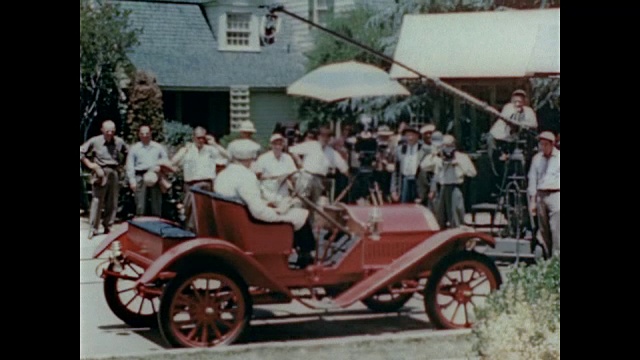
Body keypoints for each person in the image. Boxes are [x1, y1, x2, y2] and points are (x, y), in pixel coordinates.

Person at [215, 139, 315, 268]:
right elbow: (258, 212)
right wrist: (278, 212)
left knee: (294, 213)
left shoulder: (223, 174)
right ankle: (307, 257)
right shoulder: (245, 176)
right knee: (301, 215)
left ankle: (304, 256)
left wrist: (271, 204)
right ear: (249, 158)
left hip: (235, 224)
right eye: (254, 158)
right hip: (252, 228)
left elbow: (248, 200)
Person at [171, 126, 229, 231]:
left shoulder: (211, 150)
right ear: (193, 138)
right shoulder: (187, 150)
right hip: (190, 184)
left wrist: (215, 144)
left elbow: (229, 157)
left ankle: (204, 231)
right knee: (189, 211)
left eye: (203, 138)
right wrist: (183, 150)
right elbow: (173, 162)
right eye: (198, 138)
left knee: (205, 211)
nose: (201, 140)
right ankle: (190, 232)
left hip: (206, 183)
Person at [80, 120, 129, 239]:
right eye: (107, 131)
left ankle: (108, 225)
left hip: (114, 171)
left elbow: (127, 152)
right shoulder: (95, 141)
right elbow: (81, 153)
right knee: (97, 200)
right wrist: (91, 165)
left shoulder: (119, 142)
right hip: (100, 172)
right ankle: (93, 228)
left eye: (112, 131)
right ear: (102, 130)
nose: (110, 133)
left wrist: (122, 166)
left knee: (112, 201)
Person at [289, 126, 349, 205]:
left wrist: (350, 177)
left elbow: (343, 167)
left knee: (313, 205)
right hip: (306, 176)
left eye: (327, 137)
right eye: (323, 136)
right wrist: (298, 161)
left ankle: (310, 217)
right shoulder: (311, 145)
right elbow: (292, 150)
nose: (325, 139)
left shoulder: (331, 152)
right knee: (300, 202)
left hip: (319, 180)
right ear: (318, 137)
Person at [429, 135, 477, 228]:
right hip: (442, 187)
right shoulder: (439, 157)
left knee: (455, 216)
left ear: (454, 145)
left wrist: (458, 164)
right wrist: (433, 155)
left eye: (449, 145)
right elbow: (424, 166)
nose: (447, 148)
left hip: (455, 187)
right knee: (439, 217)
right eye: (444, 145)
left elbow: (472, 173)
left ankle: (457, 236)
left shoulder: (461, 157)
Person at [527, 131, 560, 255]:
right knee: (543, 228)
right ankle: (546, 255)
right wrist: (532, 201)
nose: (543, 147)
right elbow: (532, 179)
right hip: (541, 194)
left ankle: (557, 258)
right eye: (541, 144)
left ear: (552, 144)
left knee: (556, 228)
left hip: (556, 193)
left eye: (546, 144)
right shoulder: (537, 159)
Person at [125, 125, 169, 217]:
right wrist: (132, 181)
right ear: (139, 135)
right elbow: (130, 165)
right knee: (140, 203)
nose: (145, 135)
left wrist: (161, 168)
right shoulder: (135, 148)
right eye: (142, 133)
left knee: (156, 202)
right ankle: (141, 222)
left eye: (147, 133)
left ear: (151, 134)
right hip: (140, 176)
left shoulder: (158, 147)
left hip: (155, 175)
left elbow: (166, 160)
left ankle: (156, 222)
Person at [252, 133, 298, 203]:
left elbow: (293, 175)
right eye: (275, 144)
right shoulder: (263, 158)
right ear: (271, 145)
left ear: (283, 145)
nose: (278, 146)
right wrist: (274, 177)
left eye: (280, 144)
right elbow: (257, 176)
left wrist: (286, 177)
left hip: (283, 194)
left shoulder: (288, 158)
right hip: (267, 194)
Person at [392, 125, 427, 203]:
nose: (410, 138)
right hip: (404, 182)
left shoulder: (424, 150)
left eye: (413, 135)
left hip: (418, 182)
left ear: (418, 136)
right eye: (408, 135)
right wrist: (394, 190)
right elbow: (396, 172)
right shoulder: (399, 150)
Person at [418, 130, 443, 211]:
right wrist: (433, 155)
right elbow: (423, 166)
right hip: (430, 179)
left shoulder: (444, 151)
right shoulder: (429, 150)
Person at [416, 124, 437, 206]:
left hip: (434, 177)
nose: (428, 136)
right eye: (426, 134)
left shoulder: (438, 147)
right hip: (421, 179)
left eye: (430, 133)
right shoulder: (419, 148)